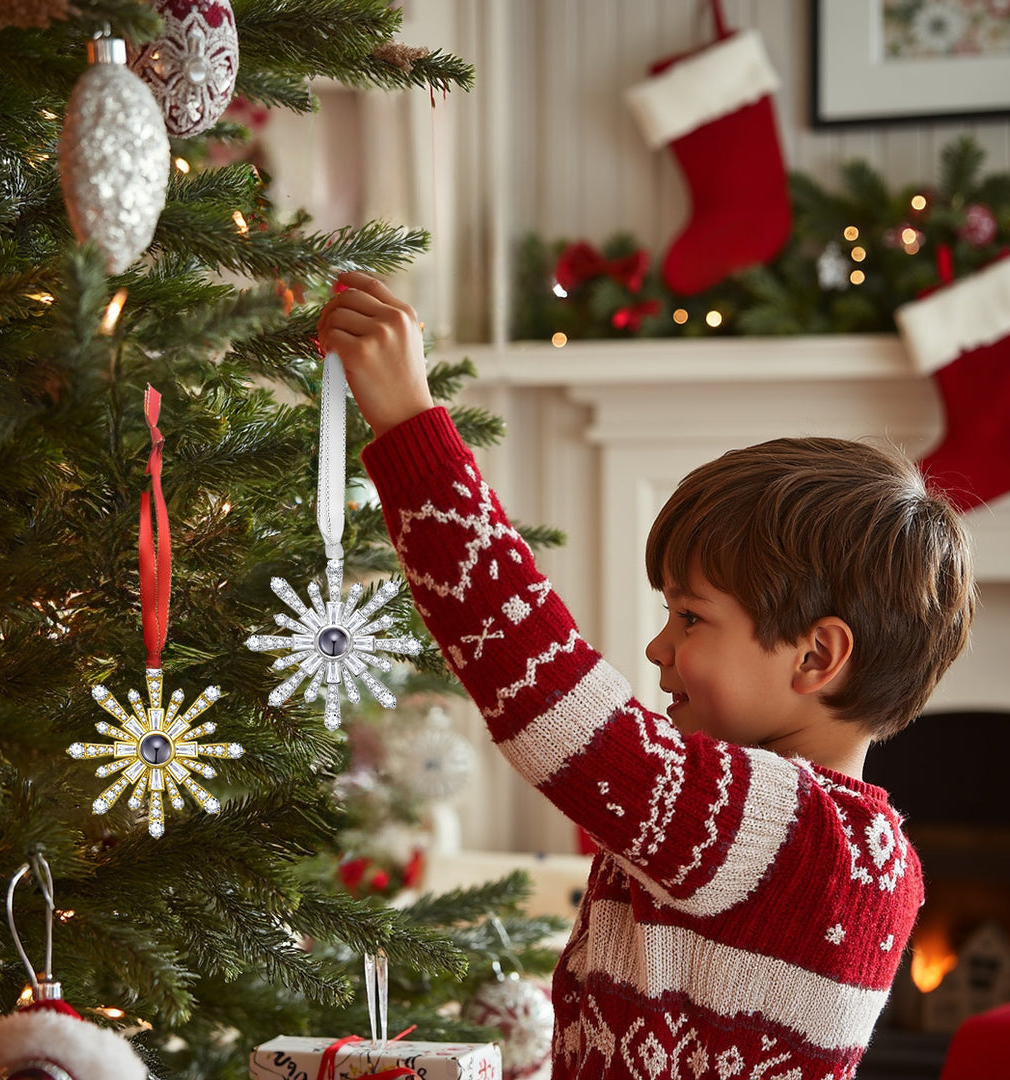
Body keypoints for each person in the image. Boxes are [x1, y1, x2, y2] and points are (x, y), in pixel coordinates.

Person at [317, 272, 976, 1080]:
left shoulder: (796, 832)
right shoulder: (849, 847)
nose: (659, 649)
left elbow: (549, 695)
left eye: (691, 617)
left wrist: (411, 425)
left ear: (815, 656)